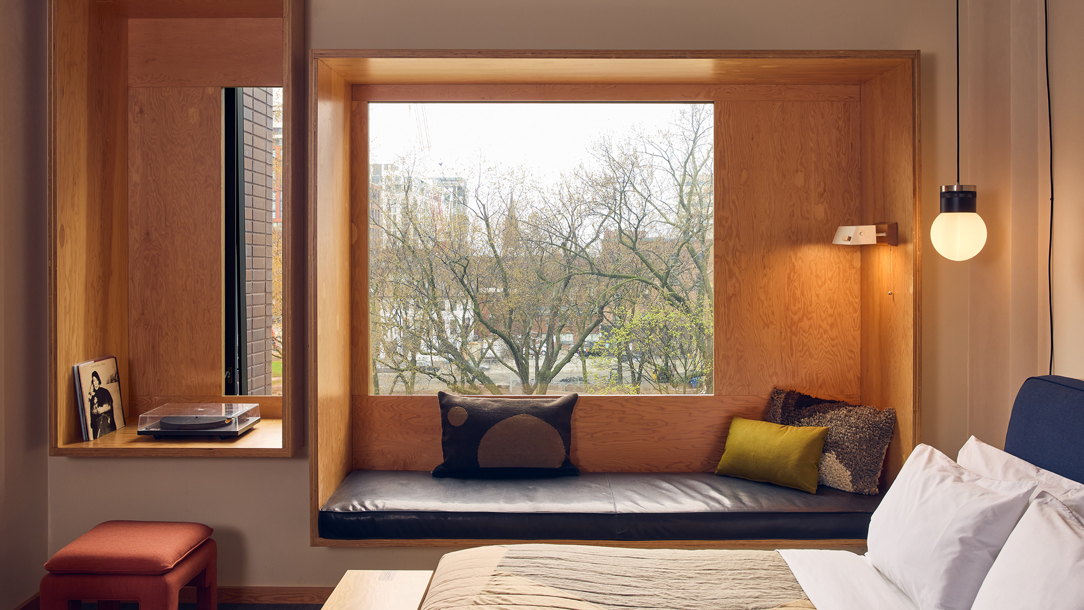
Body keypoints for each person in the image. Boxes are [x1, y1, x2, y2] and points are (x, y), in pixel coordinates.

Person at [88, 371, 116, 438]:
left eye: (96, 380)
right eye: (93, 381)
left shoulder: (105, 392)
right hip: (97, 430)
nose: (95, 383)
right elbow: (92, 414)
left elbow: (108, 407)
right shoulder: (93, 397)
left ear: (99, 381)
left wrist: (98, 410)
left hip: (106, 426)